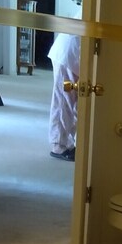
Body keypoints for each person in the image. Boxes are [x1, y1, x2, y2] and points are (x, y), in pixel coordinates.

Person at [48, 32, 80, 161]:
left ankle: (74, 141)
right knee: (63, 101)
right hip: (68, 54)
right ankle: (58, 145)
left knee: (77, 99)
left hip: (73, 51)